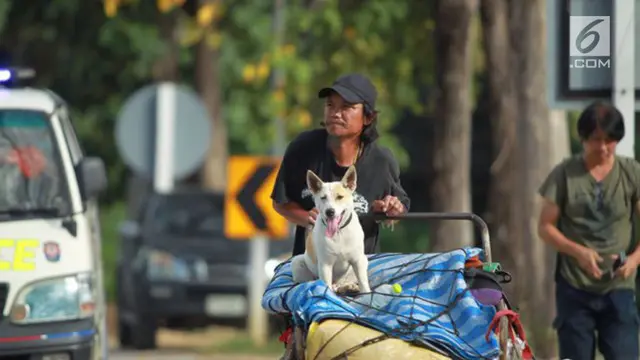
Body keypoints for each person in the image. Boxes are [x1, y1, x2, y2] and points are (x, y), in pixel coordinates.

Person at [270, 73, 411, 358]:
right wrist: (309, 218)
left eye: (347, 107)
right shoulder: (304, 149)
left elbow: (400, 208)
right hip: (315, 274)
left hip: (360, 273)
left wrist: (392, 209)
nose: (336, 112)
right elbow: (280, 203)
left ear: (368, 118)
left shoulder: (381, 161)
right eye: (331, 105)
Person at [538, 101, 640, 360]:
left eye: (610, 140)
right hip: (574, 287)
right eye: (597, 140)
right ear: (583, 139)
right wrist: (578, 252)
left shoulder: (631, 173)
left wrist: (635, 260)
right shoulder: (564, 175)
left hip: (619, 286)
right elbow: (545, 227)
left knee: (624, 353)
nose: (604, 147)